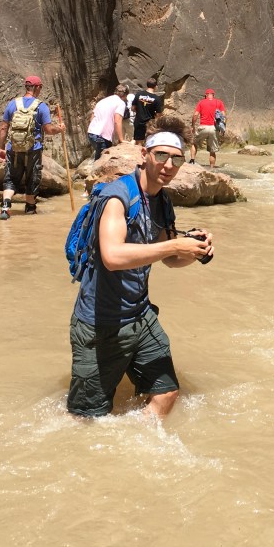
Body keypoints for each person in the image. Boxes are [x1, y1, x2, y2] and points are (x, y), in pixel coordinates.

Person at [67, 113, 213, 420]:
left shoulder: (162, 201)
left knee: (166, 392)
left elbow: (170, 259)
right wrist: (174, 246)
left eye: (177, 159)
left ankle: (136, 440)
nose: (168, 165)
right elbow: (112, 256)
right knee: (87, 419)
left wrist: (193, 251)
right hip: (100, 324)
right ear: (144, 154)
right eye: (161, 155)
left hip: (140, 315)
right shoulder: (117, 197)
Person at [0, 75, 65, 220]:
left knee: (10, 179)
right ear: (37, 87)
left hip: (13, 148)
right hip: (33, 150)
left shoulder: (12, 104)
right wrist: (60, 129)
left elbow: (3, 128)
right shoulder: (41, 106)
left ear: (26, 87)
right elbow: (48, 130)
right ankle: (29, 208)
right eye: (40, 87)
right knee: (32, 179)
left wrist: (1, 148)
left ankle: (5, 206)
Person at [88, 85, 129, 160]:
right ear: (125, 95)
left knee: (99, 159)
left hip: (91, 133)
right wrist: (121, 139)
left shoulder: (103, 101)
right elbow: (117, 121)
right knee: (104, 161)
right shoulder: (120, 103)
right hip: (102, 137)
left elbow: (92, 116)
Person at [190, 87, 226, 168]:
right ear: (213, 95)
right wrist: (223, 128)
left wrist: (193, 126)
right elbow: (223, 115)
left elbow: (195, 115)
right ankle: (212, 169)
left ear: (205, 95)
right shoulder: (219, 102)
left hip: (203, 127)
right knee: (212, 151)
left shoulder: (201, 102)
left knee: (194, 143)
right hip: (214, 128)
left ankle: (192, 161)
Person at [132, 79, 164, 147]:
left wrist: (140, 110)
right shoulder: (157, 99)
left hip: (139, 121)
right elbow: (158, 114)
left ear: (147, 85)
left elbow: (133, 108)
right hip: (149, 124)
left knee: (138, 144)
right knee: (149, 143)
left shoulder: (138, 94)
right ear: (155, 86)